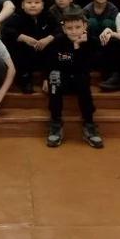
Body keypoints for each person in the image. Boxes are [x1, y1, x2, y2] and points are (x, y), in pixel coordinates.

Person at [44, 9, 104, 149]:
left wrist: (77, 47)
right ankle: (56, 122)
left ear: (85, 26)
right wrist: (45, 79)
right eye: (70, 28)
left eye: (77, 27)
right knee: (54, 78)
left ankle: (89, 123)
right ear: (64, 29)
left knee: (82, 79)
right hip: (62, 79)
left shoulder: (92, 42)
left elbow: (87, 65)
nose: (74, 31)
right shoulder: (58, 41)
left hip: (80, 79)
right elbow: (52, 63)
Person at [3, 0, 57, 94]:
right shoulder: (17, 17)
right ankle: (25, 80)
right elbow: (6, 30)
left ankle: (47, 79)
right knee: (15, 46)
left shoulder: (48, 16)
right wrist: (22, 37)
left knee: (54, 47)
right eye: (29, 2)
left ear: (42, 5)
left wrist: (48, 38)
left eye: (37, 2)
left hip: (43, 53)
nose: (33, 5)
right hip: (25, 55)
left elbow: (59, 30)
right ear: (23, 5)